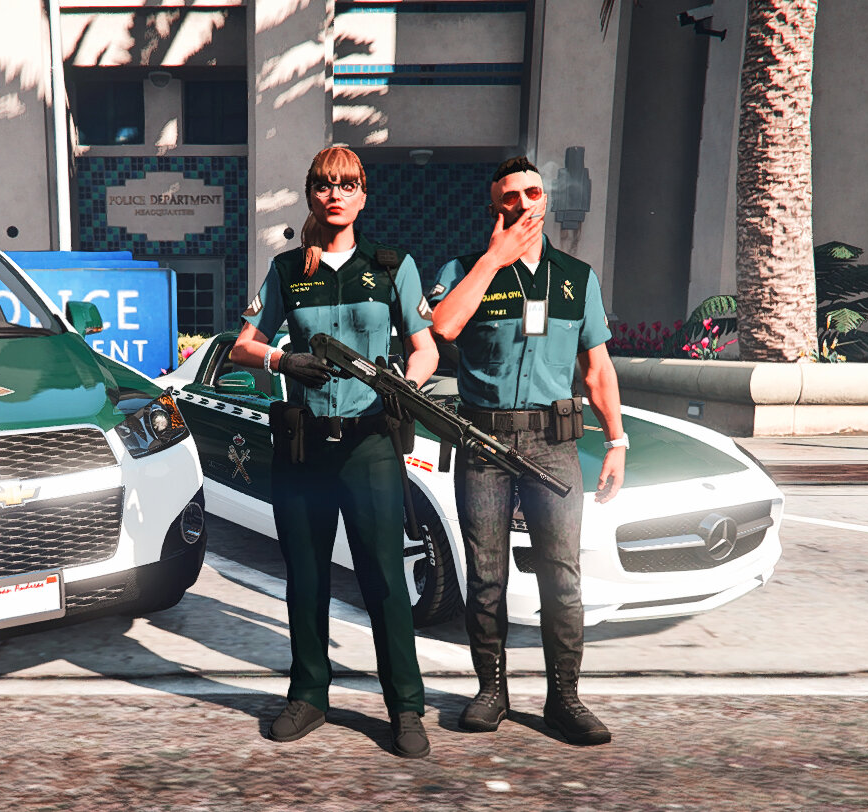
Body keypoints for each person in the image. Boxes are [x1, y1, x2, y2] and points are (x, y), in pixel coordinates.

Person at [230, 146, 441, 759]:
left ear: (363, 195)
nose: (336, 195)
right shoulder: (286, 269)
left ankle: (405, 706)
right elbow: (244, 344)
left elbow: (425, 348)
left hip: (370, 443)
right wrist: (281, 359)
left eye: (348, 185)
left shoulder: (391, 266)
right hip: (303, 448)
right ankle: (309, 695)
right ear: (310, 194)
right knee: (306, 577)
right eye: (325, 185)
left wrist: (407, 385)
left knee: (385, 580)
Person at [426, 156, 626, 746]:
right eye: (509, 196)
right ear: (495, 206)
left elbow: (597, 368)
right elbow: (444, 327)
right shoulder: (465, 269)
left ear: (545, 198)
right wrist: (493, 259)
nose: (522, 203)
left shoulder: (577, 277)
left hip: (553, 444)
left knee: (562, 576)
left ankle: (564, 699)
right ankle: (491, 691)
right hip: (483, 442)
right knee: (485, 574)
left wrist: (616, 440)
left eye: (532, 192)